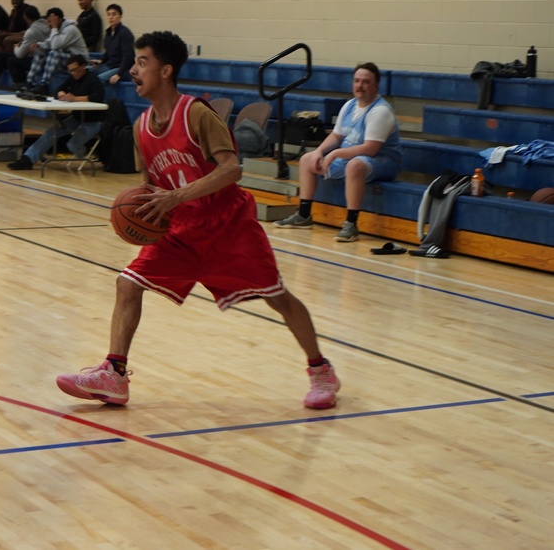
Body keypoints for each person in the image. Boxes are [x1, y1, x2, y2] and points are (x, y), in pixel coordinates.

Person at [55, 30, 340, 410]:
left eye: (143, 62)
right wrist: (142, 212)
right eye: (135, 62)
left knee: (278, 298)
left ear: (166, 71)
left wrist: (177, 196)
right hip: (181, 233)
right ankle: (114, 373)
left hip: (230, 228)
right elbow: (151, 188)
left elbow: (232, 169)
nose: (133, 70)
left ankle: (321, 371)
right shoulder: (141, 128)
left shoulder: (196, 114)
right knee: (127, 284)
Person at [274, 62, 402, 242]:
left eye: (366, 82)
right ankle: (303, 215)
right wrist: (319, 151)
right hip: (352, 156)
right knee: (307, 159)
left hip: (384, 161)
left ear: (376, 86)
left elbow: (370, 149)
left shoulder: (380, 111)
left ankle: (351, 224)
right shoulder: (350, 105)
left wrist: (334, 154)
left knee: (354, 165)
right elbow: (336, 136)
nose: (360, 86)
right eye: (357, 81)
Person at [7, 54, 106, 170]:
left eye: (75, 70)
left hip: (93, 120)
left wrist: (75, 99)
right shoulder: (72, 78)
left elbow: (98, 97)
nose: (73, 73)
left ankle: (92, 154)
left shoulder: (93, 79)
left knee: (72, 145)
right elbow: (59, 89)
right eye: (71, 71)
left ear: (83, 66)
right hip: (77, 118)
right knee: (51, 133)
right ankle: (28, 159)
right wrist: (61, 93)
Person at [20, 7, 88, 95]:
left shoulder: (70, 29)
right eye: (48, 21)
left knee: (54, 53)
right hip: (67, 59)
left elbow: (55, 45)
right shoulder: (57, 30)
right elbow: (49, 42)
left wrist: (54, 27)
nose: (49, 24)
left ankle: (44, 85)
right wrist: (38, 45)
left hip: (79, 60)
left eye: (50, 21)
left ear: (58, 19)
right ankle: (30, 83)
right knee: (39, 52)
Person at [4, 5, 50, 88]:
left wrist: (16, 46)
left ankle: (20, 84)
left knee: (12, 60)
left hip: (38, 60)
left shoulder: (31, 31)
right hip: (47, 58)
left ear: (26, 18)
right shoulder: (47, 24)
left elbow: (19, 54)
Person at [89, 4, 134, 85]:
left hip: (123, 69)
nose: (111, 17)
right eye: (108, 14)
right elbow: (108, 52)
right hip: (110, 66)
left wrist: (118, 74)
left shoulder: (125, 33)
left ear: (120, 16)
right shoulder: (108, 33)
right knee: (87, 71)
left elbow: (128, 57)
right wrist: (101, 61)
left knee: (100, 79)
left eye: (114, 14)